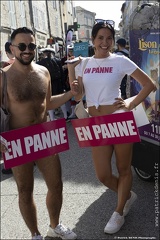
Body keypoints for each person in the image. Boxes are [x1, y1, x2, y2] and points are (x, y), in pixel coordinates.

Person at [67, 21, 156, 235]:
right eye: (100, 38)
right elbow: (78, 96)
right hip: (96, 123)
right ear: (93, 40)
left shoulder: (120, 60)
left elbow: (150, 85)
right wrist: (71, 70)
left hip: (119, 119)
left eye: (109, 38)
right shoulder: (84, 63)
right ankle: (126, 195)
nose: (105, 42)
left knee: (124, 168)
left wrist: (130, 104)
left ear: (113, 41)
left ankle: (118, 212)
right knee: (103, 175)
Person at [0, 27, 78, 240]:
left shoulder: (43, 72)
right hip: (17, 140)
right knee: (25, 190)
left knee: (56, 185)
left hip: (45, 135)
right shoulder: (3, 76)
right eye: (22, 46)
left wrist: (71, 94)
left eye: (31, 46)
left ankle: (55, 226)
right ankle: (35, 234)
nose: (27, 50)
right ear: (12, 48)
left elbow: (48, 102)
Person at [37, 48, 69, 121]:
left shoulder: (41, 62)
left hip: (49, 83)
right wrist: (63, 83)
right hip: (58, 83)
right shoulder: (57, 61)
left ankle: (52, 118)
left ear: (45, 53)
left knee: (49, 100)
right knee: (61, 99)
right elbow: (62, 73)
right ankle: (65, 116)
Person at [1, 41, 15, 174]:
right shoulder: (24, 65)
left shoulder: (6, 67)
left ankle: (9, 164)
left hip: (8, 106)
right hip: (22, 107)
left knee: (7, 135)